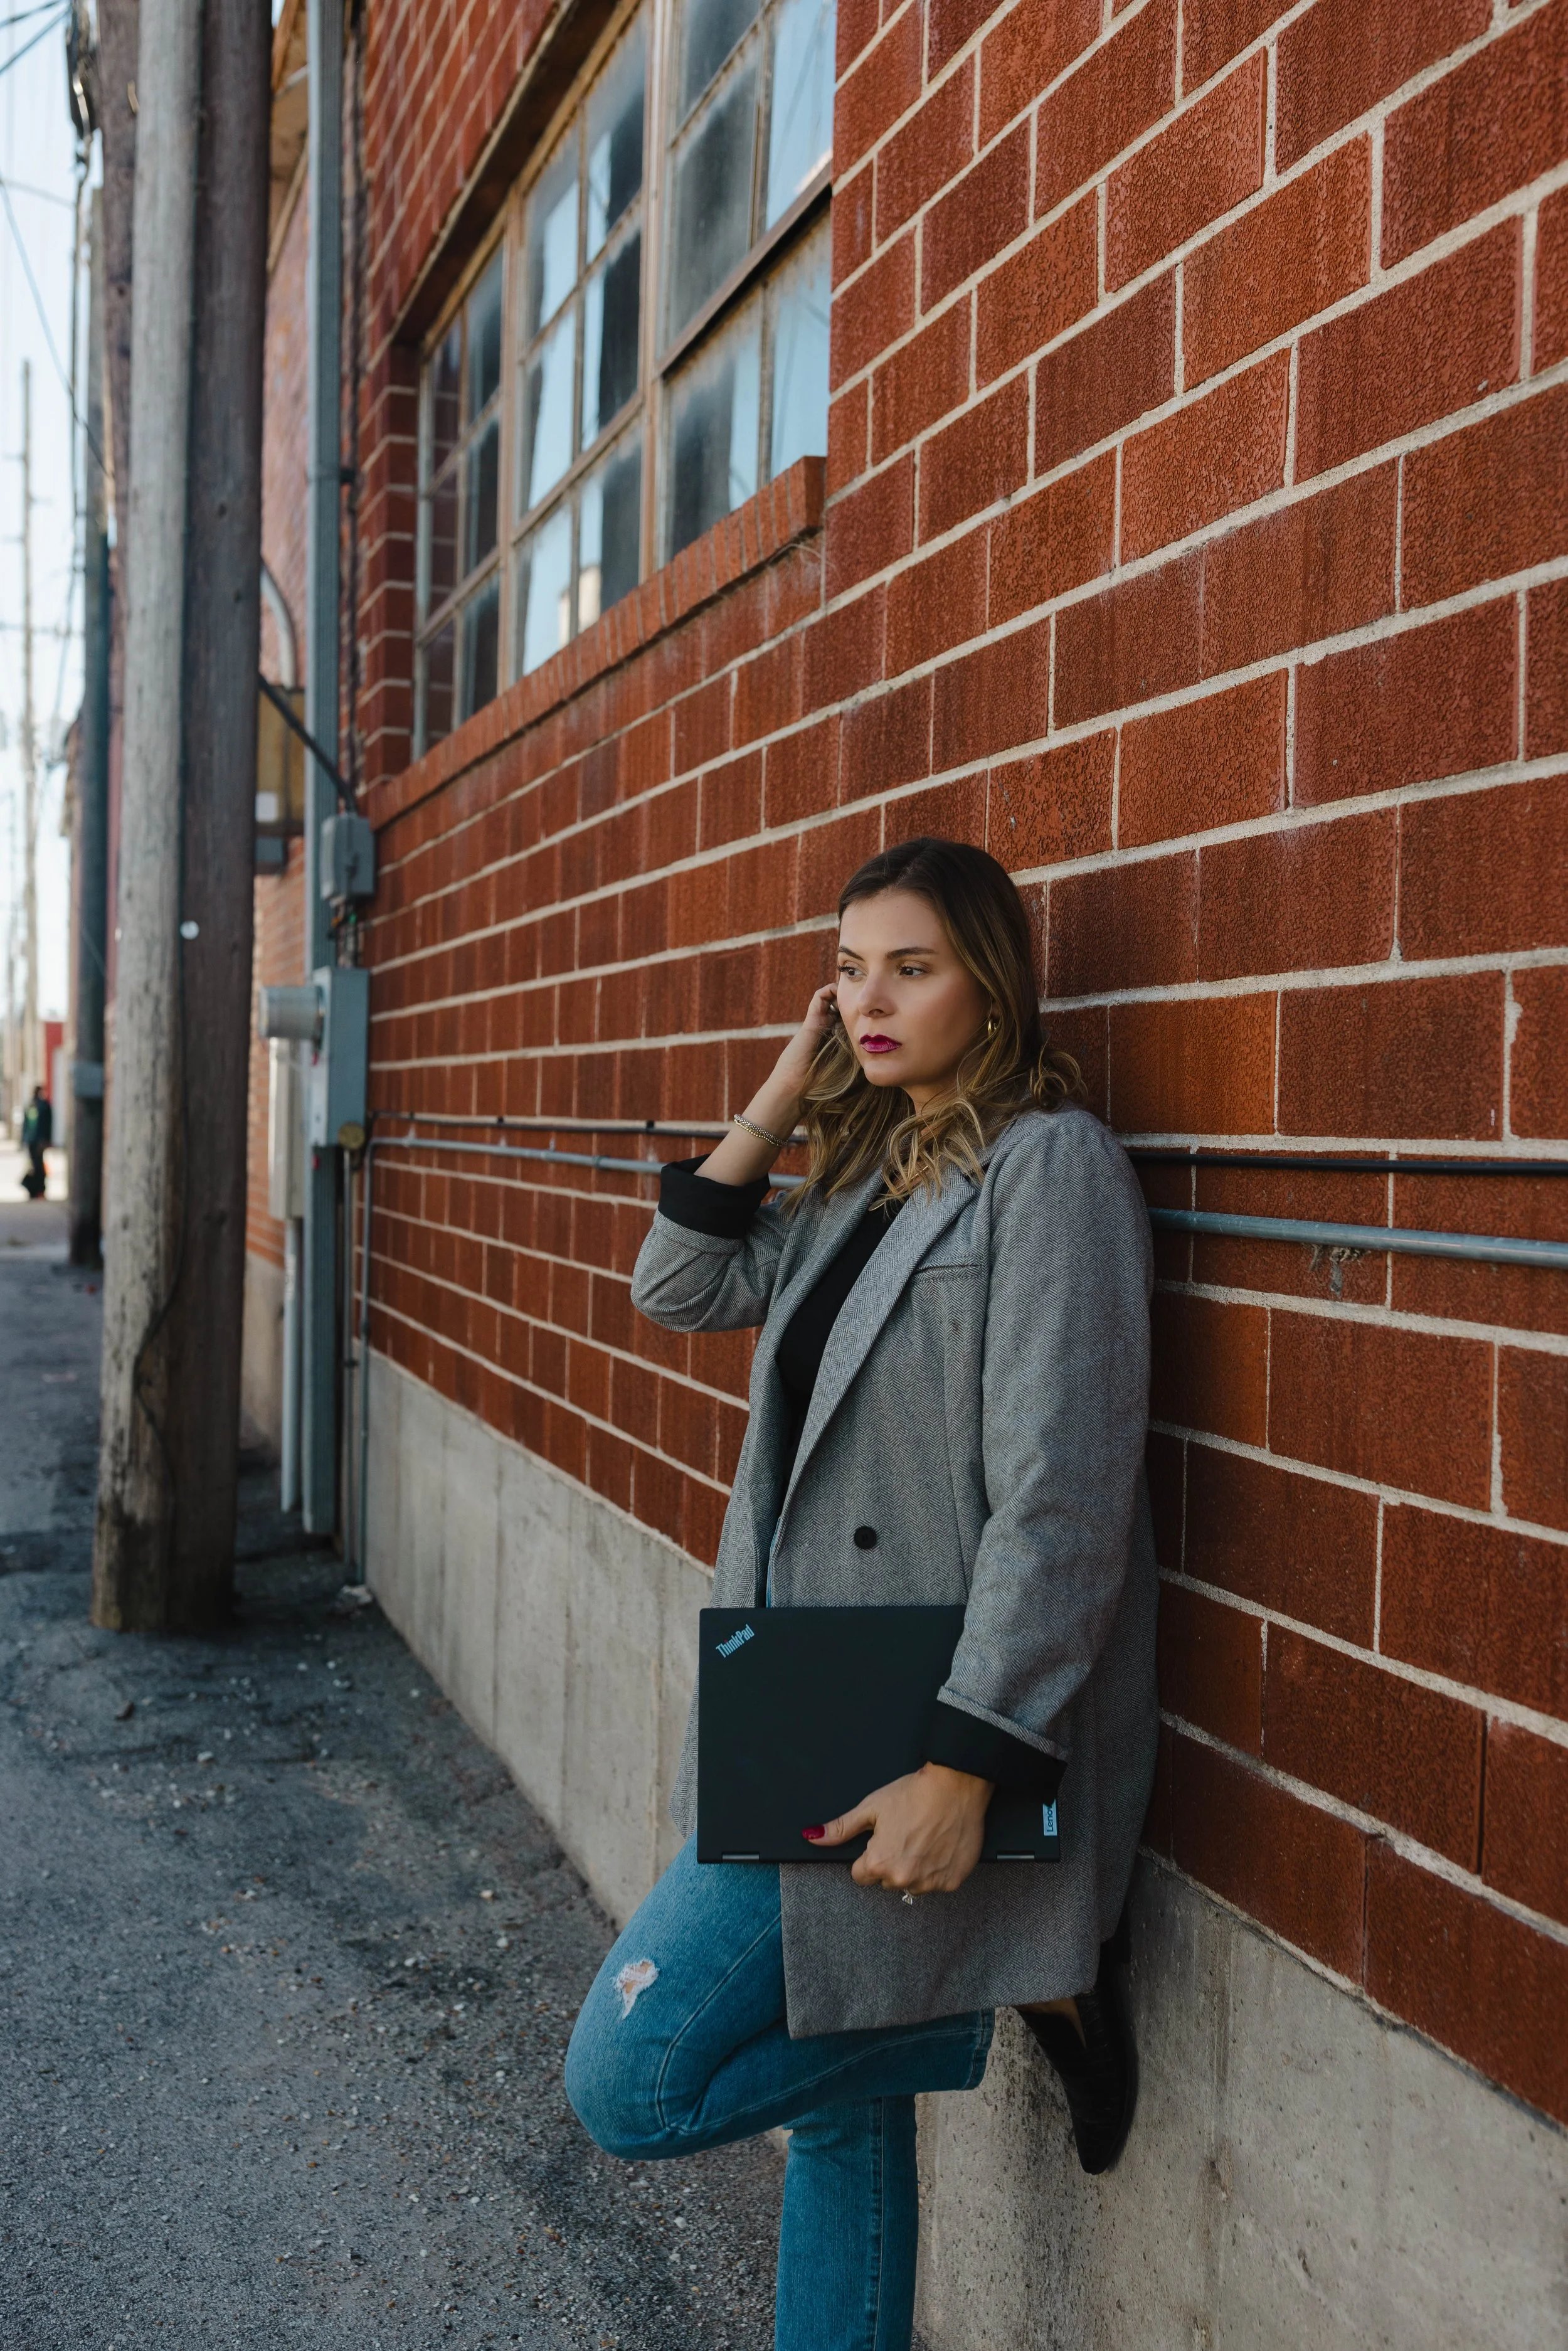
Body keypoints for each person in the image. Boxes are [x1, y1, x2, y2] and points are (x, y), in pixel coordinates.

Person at [564, 836, 1157, 2351]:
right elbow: (676, 1284)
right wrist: (786, 1086)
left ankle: (989, 2000)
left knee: (630, 2082)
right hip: (795, 1694)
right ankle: (981, 2005)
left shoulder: (1050, 1165)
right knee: (845, 2128)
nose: (870, 998)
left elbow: (1066, 1497)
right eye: (847, 968)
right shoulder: (864, 1174)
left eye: (911, 965)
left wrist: (969, 1762)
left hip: (910, 1710)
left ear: (993, 981)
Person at [20, 1083, 52, 1200]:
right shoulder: (31, 1105)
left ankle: (40, 1189)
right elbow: (26, 1125)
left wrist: (46, 1140)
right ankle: (34, 1190)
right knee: (34, 1166)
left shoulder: (44, 1106)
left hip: (39, 1141)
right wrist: (23, 1140)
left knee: (39, 1166)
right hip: (31, 1140)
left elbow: (47, 1125)